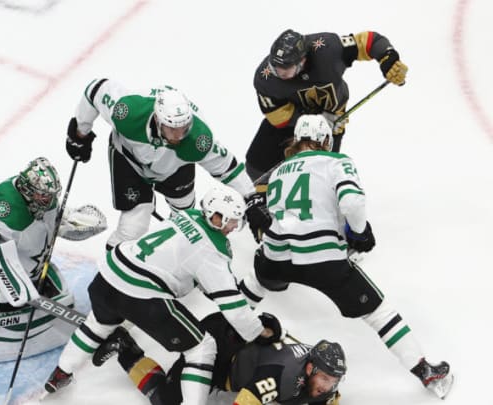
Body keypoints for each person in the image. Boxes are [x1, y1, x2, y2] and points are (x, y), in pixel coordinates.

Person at [239, 115, 453, 399]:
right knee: (379, 312)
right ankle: (424, 370)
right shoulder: (336, 162)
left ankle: (219, 336)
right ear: (326, 140)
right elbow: (351, 202)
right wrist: (360, 234)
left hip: (275, 254)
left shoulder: (278, 172)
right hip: (322, 259)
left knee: (254, 285)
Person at [44, 186, 280, 405]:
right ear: (213, 214)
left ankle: (61, 373)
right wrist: (259, 331)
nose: (230, 227)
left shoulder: (188, 215)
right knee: (202, 347)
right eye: (227, 220)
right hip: (140, 295)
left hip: (107, 276)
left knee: (97, 325)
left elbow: (187, 262)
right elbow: (234, 309)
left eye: (235, 222)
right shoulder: (212, 251)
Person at [65, 79, 265, 250]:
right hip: (129, 160)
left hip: (175, 167)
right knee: (134, 226)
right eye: (172, 129)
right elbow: (95, 89)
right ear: (158, 121)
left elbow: (228, 167)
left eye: (184, 128)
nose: (179, 136)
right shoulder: (128, 112)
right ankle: (112, 275)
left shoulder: (197, 140)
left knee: (184, 219)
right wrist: (80, 133)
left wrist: (252, 198)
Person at [0, 156, 107, 374]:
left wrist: (71, 222)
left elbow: (51, 221)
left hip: (32, 271)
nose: (48, 201)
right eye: (42, 196)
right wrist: (13, 284)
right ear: (27, 189)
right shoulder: (4, 207)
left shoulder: (43, 201)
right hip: (1, 282)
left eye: (50, 196)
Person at [245, 29, 409, 181]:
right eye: (275, 68)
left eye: (285, 69)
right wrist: (310, 121)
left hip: (333, 119)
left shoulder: (328, 49)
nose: (279, 74)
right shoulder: (265, 78)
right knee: (256, 165)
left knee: (320, 177)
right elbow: (277, 115)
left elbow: (370, 41)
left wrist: (388, 58)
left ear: (302, 61)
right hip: (293, 121)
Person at [92, 312, 346, 405]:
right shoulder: (280, 375)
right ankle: (125, 346)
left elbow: (330, 398)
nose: (328, 385)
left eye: (333, 380)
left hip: (243, 343)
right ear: (310, 367)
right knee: (166, 401)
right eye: (324, 378)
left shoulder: (321, 380)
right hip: (218, 349)